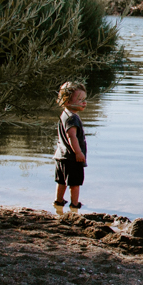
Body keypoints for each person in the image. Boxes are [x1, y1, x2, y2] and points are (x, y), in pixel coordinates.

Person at [53, 81, 88, 209]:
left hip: (61, 155)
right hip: (72, 157)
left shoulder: (65, 114)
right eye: (80, 100)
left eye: (84, 99)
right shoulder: (72, 118)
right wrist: (78, 152)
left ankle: (59, 201)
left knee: (61, 181)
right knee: (75, 183)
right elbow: (71, 136)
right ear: (67, 102)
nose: (84, 102)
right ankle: (74, 204)